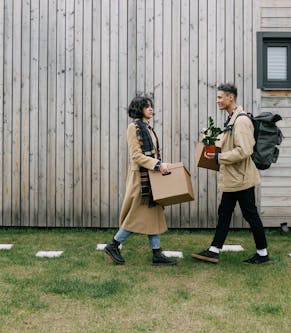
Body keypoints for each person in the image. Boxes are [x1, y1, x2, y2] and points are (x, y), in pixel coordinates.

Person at [192, 83, 269, 264]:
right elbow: (228, 142)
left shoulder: (241, 121)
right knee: (225, 212)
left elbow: (244, 150)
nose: (217, 101)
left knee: (250, 214)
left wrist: (219, 158)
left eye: (220, 97)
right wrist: (209, 136)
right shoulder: (232, 119)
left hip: (241, 178)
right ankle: (214, 249)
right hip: (234, 177)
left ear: (230, 98)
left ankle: (263, 253)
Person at [104, 96, 177, 266]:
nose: (151, 109)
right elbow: (136, 156)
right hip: (141, 179)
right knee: (137, 214)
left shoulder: (148, 127)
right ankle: (113, 245)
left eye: (151, 106)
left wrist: (159, 166)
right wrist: (158, 165)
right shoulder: (133, 127)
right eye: (147, 106)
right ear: (139, 109)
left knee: (153, 213)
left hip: (152, 176)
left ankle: (157, 253)